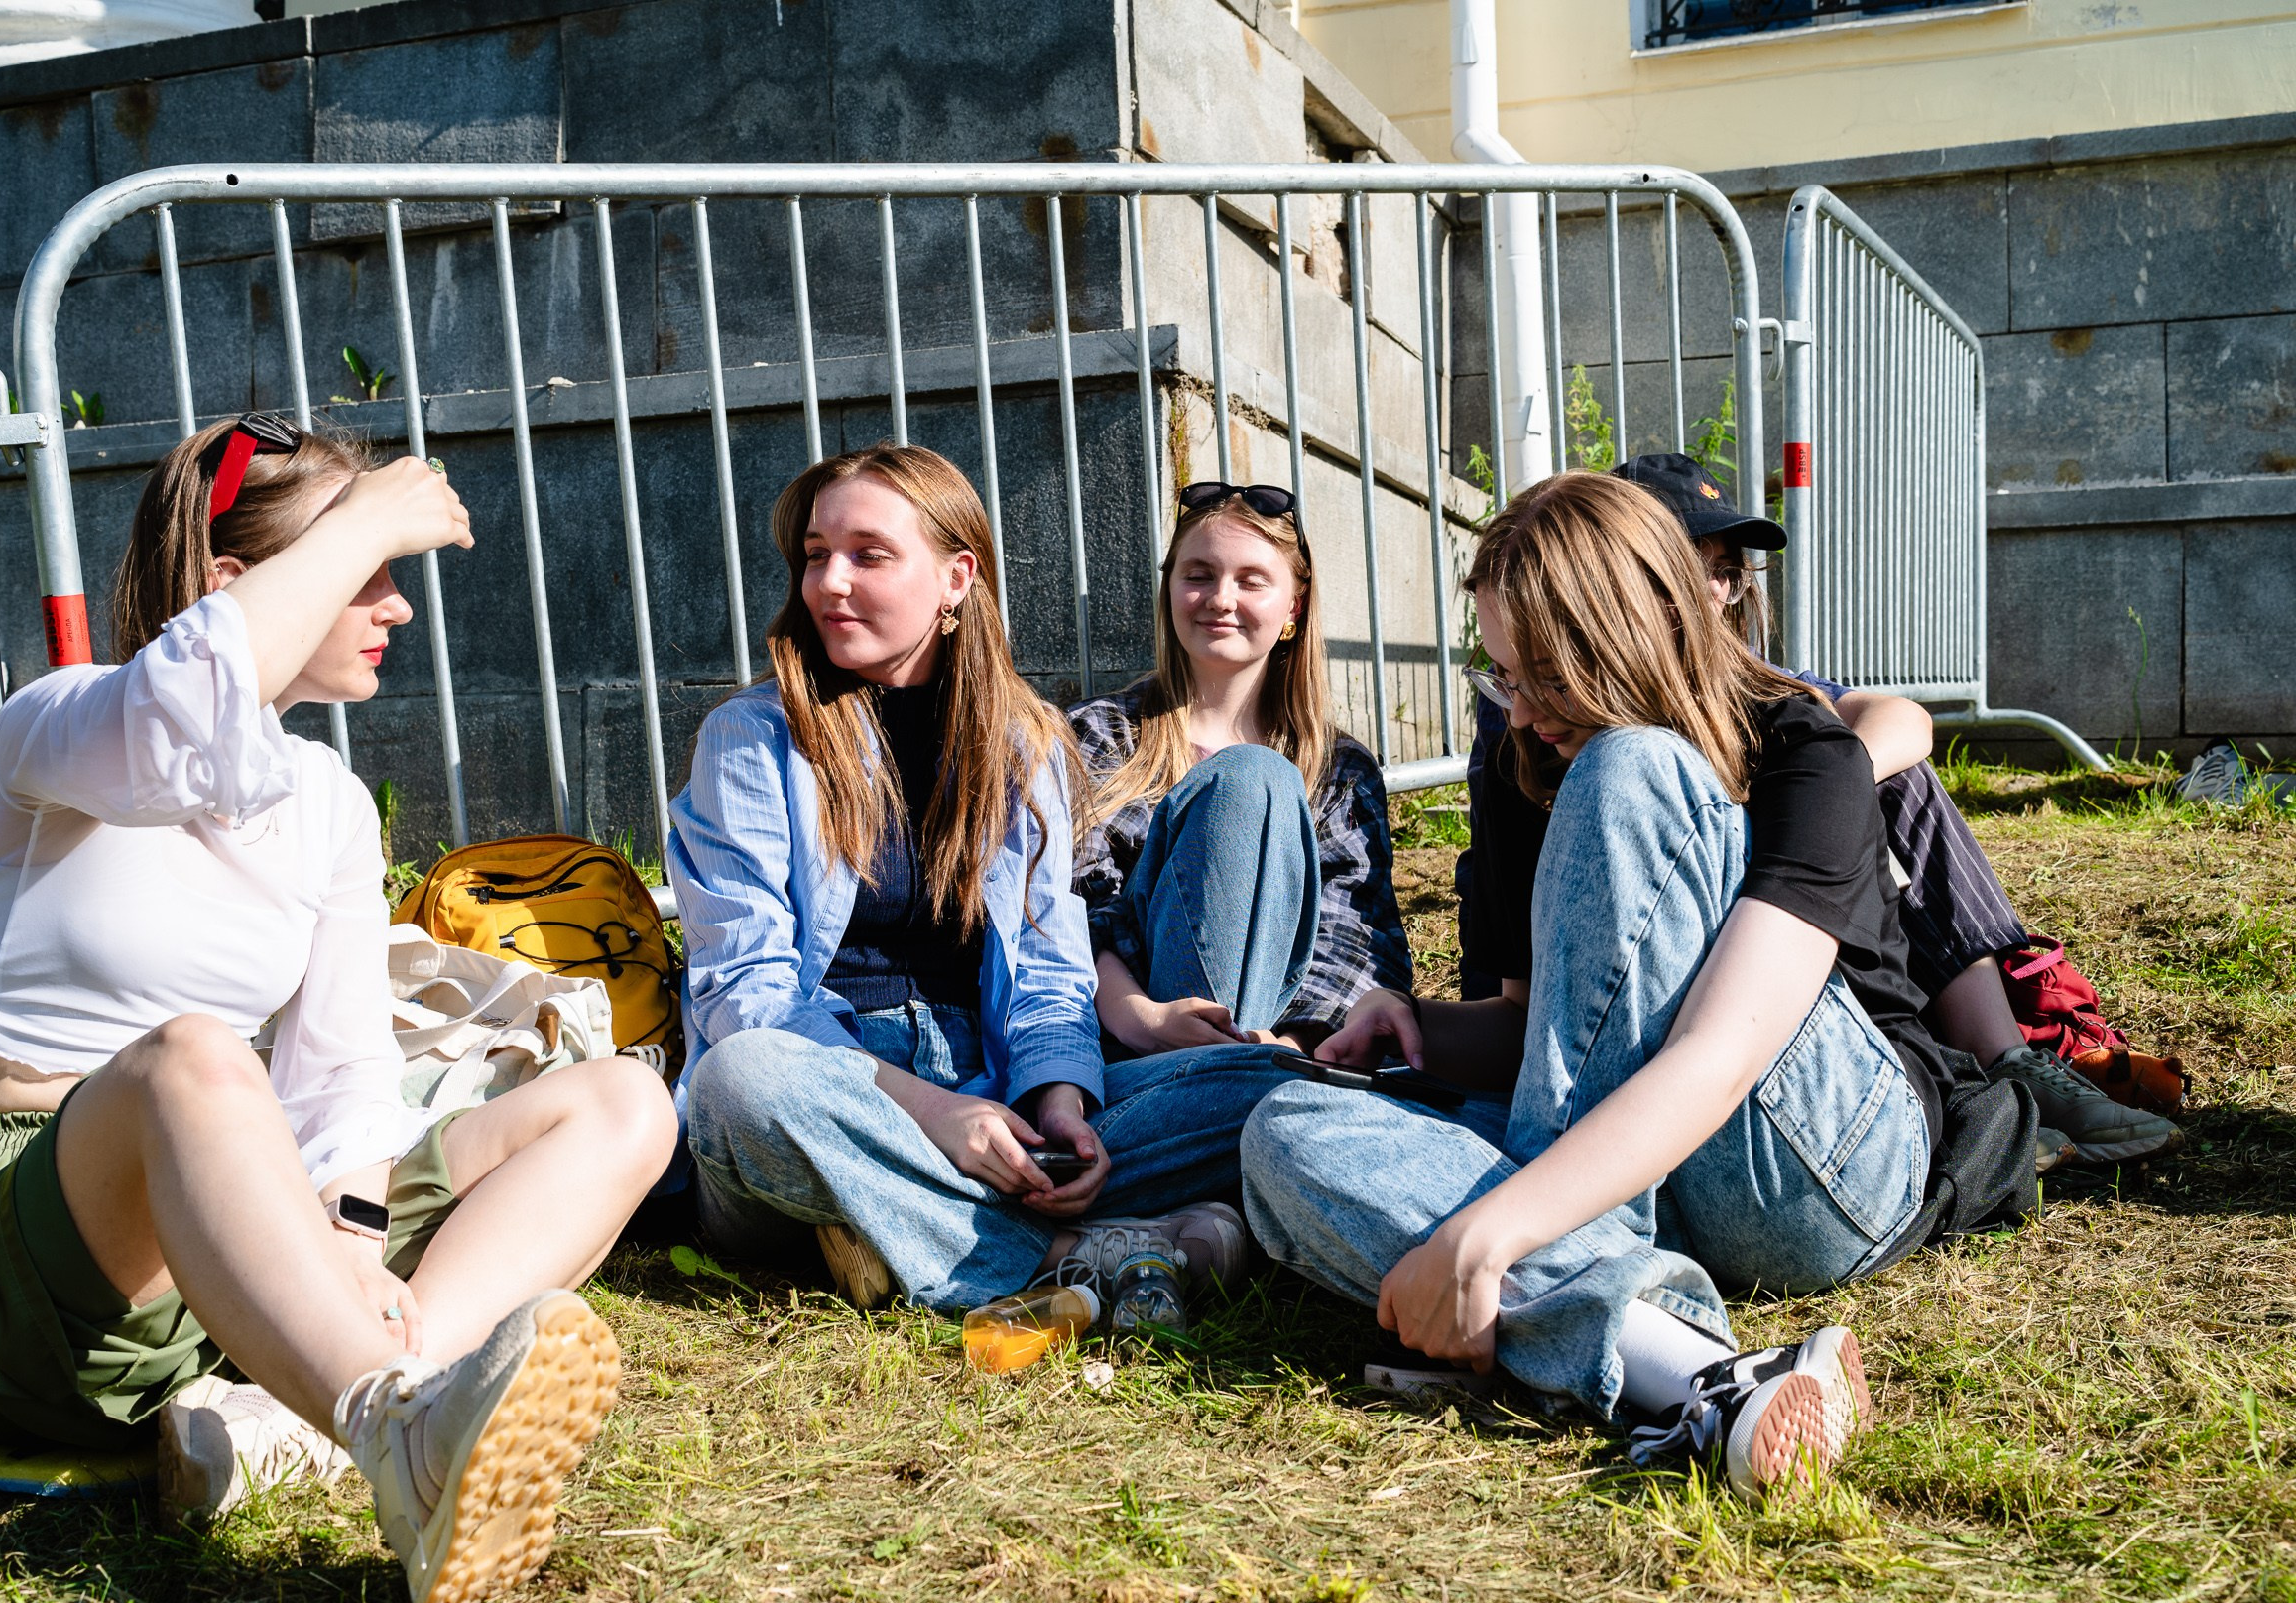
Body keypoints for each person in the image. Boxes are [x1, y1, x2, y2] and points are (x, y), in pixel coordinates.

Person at [0, 414, 677, 1603]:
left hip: (237, 1231)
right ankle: (391, 1424)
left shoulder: (322, 800)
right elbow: (169, 724)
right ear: (237, 586)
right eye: (366, 570)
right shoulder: (53, 724)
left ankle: (303, 1408)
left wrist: (353, 1241)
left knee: (622, 1099)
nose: (395, 606)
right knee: (196, 1055)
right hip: (27, 1280)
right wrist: (372, 505)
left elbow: (343, 1070)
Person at [1246, 470, 1949, 1497]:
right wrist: (1423, 1032)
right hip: (1641, 1180)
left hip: (1820, 1163)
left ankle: (1550, 1282)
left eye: (1545, 677)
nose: (1521, 713)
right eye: (1502, 676)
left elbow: (1717, 1055)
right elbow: (1558, 1034)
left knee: (1630, 769)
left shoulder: (1805, 750)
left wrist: (1496, 1229)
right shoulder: (1523, 758)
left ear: (1639, 633)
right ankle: (1692, 1373)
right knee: (1282, 1129)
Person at [671, 445, 1283, 1335]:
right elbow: (748, 998)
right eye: (814, 554)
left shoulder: (1022, 739)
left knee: (1263, 1082)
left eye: (867, 555)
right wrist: (932, 1114)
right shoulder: (752, 740)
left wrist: (1059, 1104)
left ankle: (898, 1225)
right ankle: (1058, 1255)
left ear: (957, 577)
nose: (828, 582)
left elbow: (1048, 965)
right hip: (827, 1096)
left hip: (991, 1089)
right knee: (741, 1078)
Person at [1457, 452, 2178, 1171]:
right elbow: (1522, 1013)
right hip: (1649, 1057)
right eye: (1691, 559)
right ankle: (1983, 1102)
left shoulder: (1760, 704)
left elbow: (1896, 722)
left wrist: (1819, 795)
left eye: (1726, 568)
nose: (1716, 588)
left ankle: (2002, 1066)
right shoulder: (1526, 740)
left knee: (1882, 774)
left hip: (1764, 1058)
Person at [1069, 481, 1412, 1057]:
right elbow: (1066, 910)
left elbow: (1354, 938)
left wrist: (1285, 1044)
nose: (1220, 599)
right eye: (1198, 575)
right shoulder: (1095, 734)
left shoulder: (1338, 770)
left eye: (1251, 580)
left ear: (1294, 608)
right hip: (1123, 1051)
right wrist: (1144, 1021)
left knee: (1259, 777)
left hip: (1280, 1055)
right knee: (1251, 779)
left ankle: (1228, 1080)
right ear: (1170, 588)